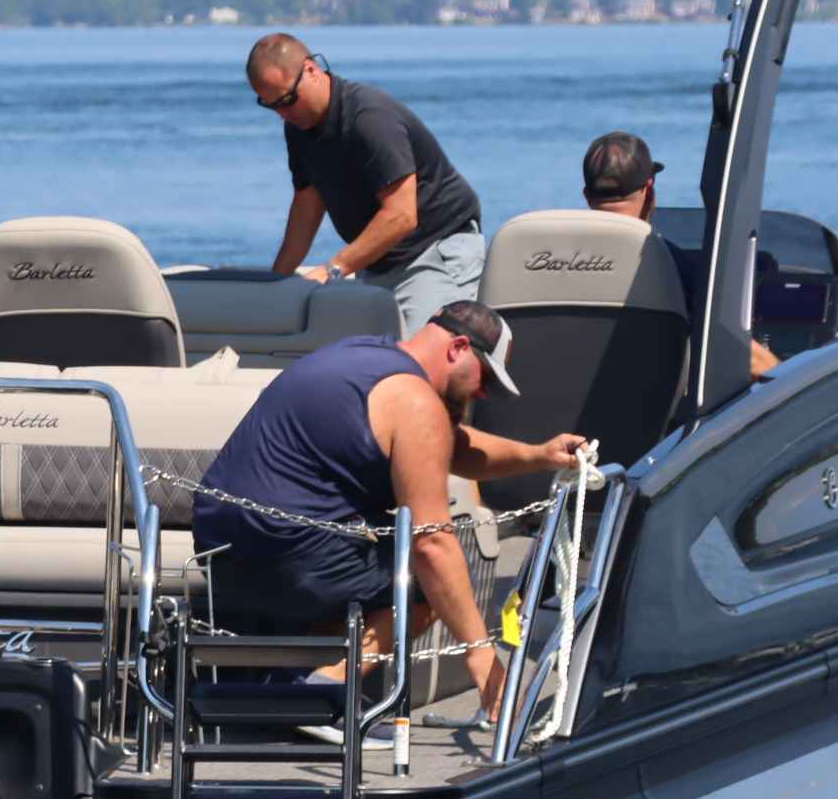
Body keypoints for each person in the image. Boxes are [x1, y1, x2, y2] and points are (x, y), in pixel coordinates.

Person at [192, 300, 586, 728]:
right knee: (427, 582)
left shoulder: (362, 356)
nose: (483, 393)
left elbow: (451, 446)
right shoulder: (417, 402)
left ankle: (285, 685)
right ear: (458, 347)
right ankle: (320, 693)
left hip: (218, 550)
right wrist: (481, 654)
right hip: (290, 554)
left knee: (384, 553)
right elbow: (432, 543)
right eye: (485, 377)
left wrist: (538, 455)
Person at [246, 32, 483, 333]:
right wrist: (276, 284)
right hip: (377, 264)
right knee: (369, 357)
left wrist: (332, 270)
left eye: (288, 100)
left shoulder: (369, 118)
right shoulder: (299, 128)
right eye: (272, 106)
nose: (283, 114)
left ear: (311, 69)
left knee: (423, 356)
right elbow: (307, 205)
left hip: (433, 252)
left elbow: (401, 216)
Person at [581, 131, 779, 378]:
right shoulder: (671, 266)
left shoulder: (551, 261)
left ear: (586, 195)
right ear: (649, 189)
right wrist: (783, 374)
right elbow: (742, 357)